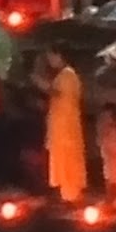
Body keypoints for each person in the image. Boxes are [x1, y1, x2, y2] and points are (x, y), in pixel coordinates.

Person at [43, 47, 86, 205]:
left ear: (59, 55)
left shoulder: (68, 74)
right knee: (61, 159)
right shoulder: (63, 75)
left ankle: (71, 195)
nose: (50, 61)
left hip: (66, 124)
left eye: (51, 57)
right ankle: (66, 194)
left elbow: (60, 93)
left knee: (69, 159)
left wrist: (42, 85)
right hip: (60, 123)